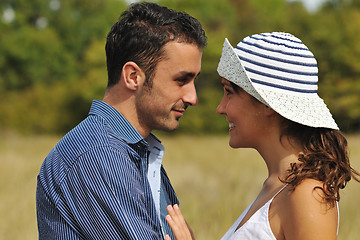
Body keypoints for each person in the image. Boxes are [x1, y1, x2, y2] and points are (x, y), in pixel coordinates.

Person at [36, 2, 207, 239]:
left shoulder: (136, 150)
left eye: (194, 80)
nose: (193, 97)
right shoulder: (100, 155)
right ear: (133, 76)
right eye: (181, 80)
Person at [165, 32, 360, 240]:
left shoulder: (307, 194)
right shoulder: (278, 186)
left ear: (267, 103)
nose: (220, 108)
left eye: (229, 92)